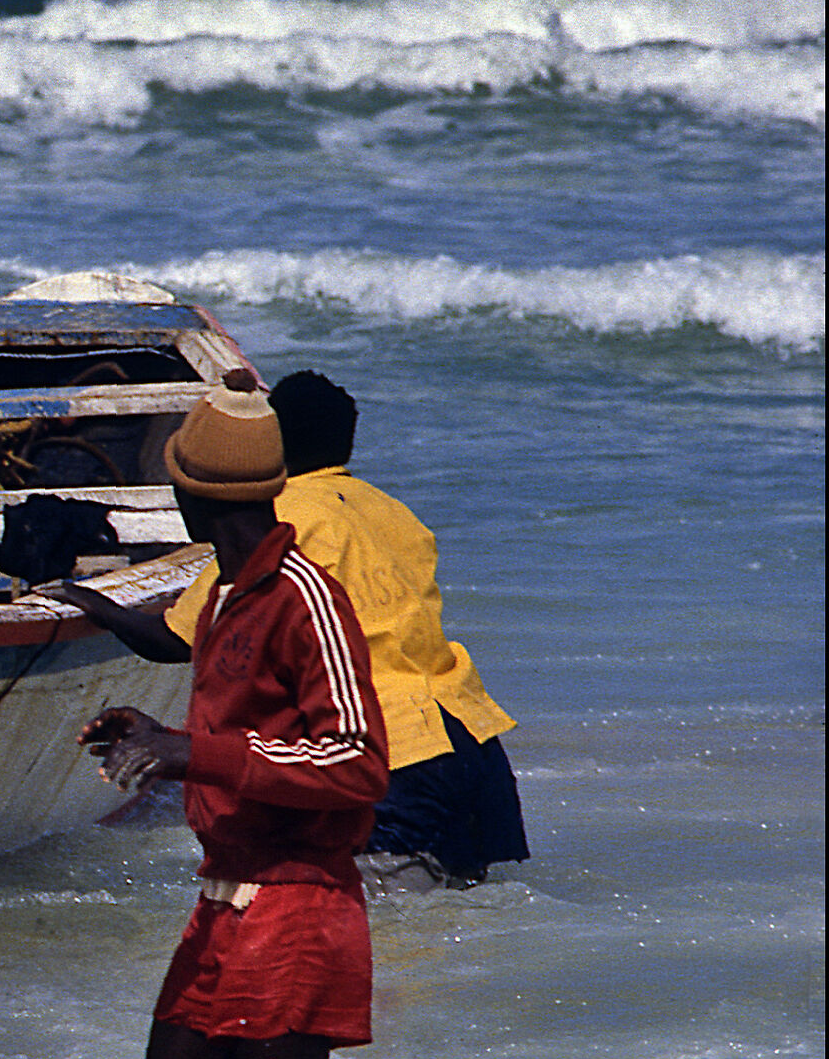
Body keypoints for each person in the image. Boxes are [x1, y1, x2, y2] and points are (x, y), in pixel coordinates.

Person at [76, 371, 390, 1059]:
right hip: (223, 903)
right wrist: (159, 736)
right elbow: (234, 741)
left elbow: (359, 762)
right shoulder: (220, 597)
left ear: (184, 494)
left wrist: (196, 753)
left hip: (298, 906)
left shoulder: (305, 599)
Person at [48, 370, 526, 890]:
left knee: (393, 950)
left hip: (383, 754)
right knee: (459, 926)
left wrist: (91, 601)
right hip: (468, 745)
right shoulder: (393, 510)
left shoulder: (273, 520)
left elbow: (174, 640)